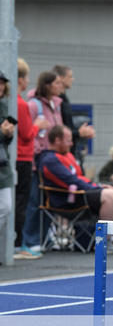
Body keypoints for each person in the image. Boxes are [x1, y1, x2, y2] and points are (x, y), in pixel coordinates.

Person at [39, 125, 113, 254]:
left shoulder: (67, 156)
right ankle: (101, 242)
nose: (72, 143)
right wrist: (97, 188)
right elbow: (72, 181)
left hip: (82, 193)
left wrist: (98, 186)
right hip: (68, 201)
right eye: (69, 141)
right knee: (110, 196)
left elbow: (80, 179)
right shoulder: (50, 160)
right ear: (57, 141)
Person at [22, 71, 64, 253]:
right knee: (35, 202)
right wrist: (39, 153)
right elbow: (29, 133)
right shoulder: (34, 105)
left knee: (49, 200)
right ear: (47, 85)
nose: (60, 86)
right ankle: (30, 239)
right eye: (57, 83)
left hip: (53, 160)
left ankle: (44, 237)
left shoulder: (56, 105)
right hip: (38, 162)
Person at [14, 59, 48, 259]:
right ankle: (19, 244)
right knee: (22, 202)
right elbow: (27, 134)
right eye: (27, 78)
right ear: (21, 80)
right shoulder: (21, 104)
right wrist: (38, 126)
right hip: (23, 158)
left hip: (17, 157)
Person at [52, 65, 96, 164]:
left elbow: (68, 127)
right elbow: (60, 130)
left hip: (69, 152)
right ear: (61, 78)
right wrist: (79, 133)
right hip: (61, 154)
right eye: (70, 76)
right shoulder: (56, 101)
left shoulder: (65, 99)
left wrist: (82, 133)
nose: (73, 79)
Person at [0, 71, 15, 250]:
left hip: (2, 165)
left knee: (6, 206)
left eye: (3, 83)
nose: (1, 87)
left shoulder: (4, 106)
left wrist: (8, 134)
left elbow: (4, 142)